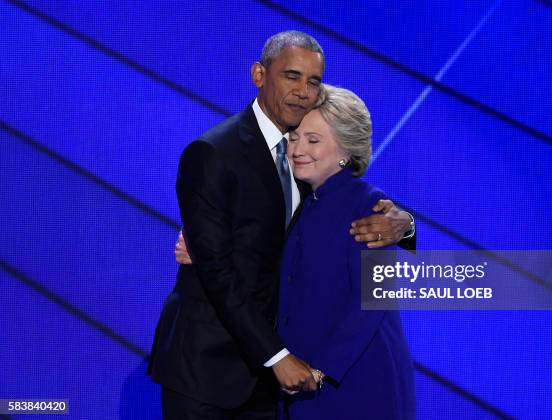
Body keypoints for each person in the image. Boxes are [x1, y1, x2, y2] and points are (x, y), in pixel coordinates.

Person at [149, 30, 415, 419]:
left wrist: (404, 223)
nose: (303, 91)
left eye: (313, 81)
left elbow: (359, 221)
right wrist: (206, 254)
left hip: (287, 380)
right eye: (292, 76)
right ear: (259, 74)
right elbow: (220, 268)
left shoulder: (316, 176)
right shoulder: (212, 153)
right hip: (210, 370)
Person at [276, 85, 415, 419]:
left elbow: (373, 302)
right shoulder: (302, 200)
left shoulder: (370, 206)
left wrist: (321, 371)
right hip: (300, 382)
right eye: (294, 137)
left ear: (345, 152)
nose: (297, 149)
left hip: (356, 384)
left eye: (313, 140)